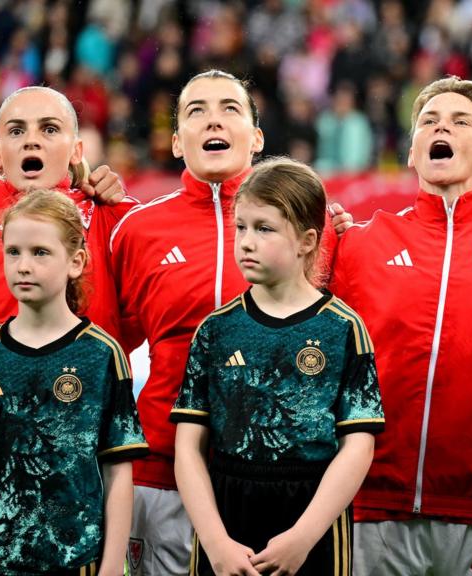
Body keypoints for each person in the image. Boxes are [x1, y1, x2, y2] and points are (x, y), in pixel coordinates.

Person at [328, 76, 472, 575]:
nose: (442, 128)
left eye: (460, 122)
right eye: (430, 122)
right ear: (412, 153)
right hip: (373, 510)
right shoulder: (359, 246)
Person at [172, 158, 382, 576]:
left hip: (311, 513)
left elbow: (358, 445)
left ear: (306, 240)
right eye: (241, 227)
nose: (246, 242)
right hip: (227, 510)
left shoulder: (343, 330)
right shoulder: (216, 330)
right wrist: (215, 543)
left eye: (264, 228)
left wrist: (304, 536)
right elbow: (189, 447)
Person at [109, 69, 264, 575]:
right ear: (177, 142)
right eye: (196, 111)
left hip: (269, 476)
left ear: (257, 138)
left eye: (229, 108)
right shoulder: (137, 230)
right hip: (159, 473)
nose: (213, 119)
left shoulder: (312, 223)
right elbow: (104, 347)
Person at [0, 190, 147, 575]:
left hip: (74, 561)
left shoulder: (101, 355)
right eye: (13, 252)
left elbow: (117, 471)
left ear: (75, 261)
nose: (23, 265)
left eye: (40, 252)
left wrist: (113, 566)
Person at [0, 86, 128, 337]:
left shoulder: (113, 216)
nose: (31, 140)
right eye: (16, 130)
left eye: (50, 129)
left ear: (77, 151)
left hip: (84, 376)